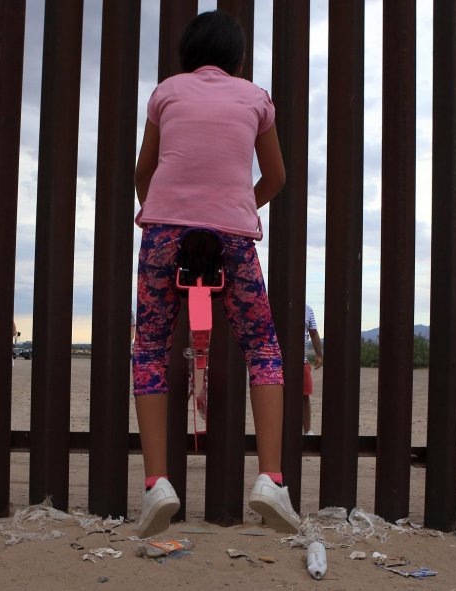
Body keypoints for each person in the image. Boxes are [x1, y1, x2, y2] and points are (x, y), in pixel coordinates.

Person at [131, 10, 294, 539]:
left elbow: (144, 172)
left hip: (162, 230)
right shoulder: (255, 97)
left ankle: (157, 483)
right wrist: (238, 207)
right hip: (233, 235)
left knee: (151, 347)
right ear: (238, 59)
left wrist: (165, 215)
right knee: (262, 347)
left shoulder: (166, 93)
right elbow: (277, 176)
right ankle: (271, 477)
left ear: (186, 56)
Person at [303, 304, 323, 435]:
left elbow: (314, 333)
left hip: (301, 361)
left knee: (304, 396)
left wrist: (319, 354)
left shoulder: (308, 309)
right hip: (276, 360)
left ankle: (307, 431)